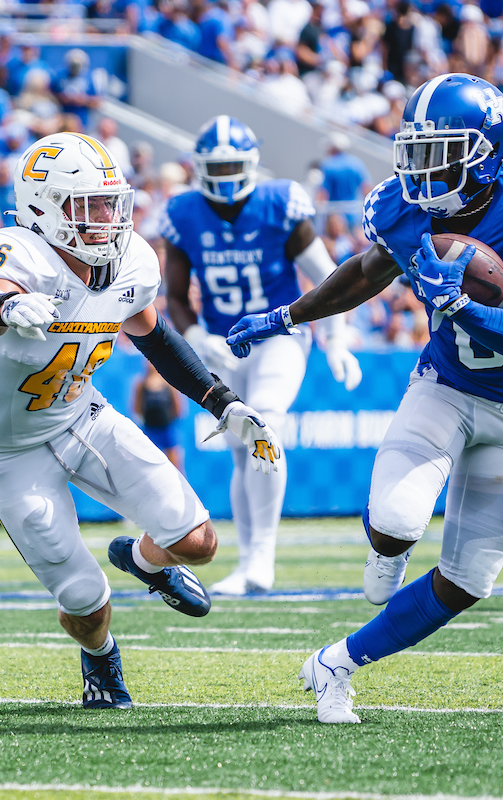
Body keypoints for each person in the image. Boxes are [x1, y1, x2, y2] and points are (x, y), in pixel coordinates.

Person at [227, 74, 503, 723]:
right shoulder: (402, 208)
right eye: (416, 152)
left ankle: (337, 663)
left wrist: (460, 306)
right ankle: (384, 549)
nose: (422, 170)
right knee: (395, 521)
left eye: (440, 154)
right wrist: (288, 317)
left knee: (468, 580)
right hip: (445, 387)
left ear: (487, 154)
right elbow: (368, 272)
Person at [0, 131, 282, 708]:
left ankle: (141, 560)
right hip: (8, 451)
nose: (107, 219)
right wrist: (9, 306)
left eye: (111, 203)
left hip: (81, 417)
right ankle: (101, 655)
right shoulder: (18, 253)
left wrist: (223, 402)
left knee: (198, 542)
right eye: (89, 206)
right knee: (84, 599)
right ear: (43, 207)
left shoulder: (129, 259)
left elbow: (154, 336)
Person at [161, 115, 362, 595]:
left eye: (233, 165)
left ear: (251, 163)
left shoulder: (278, 203)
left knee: (263, 425)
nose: (226, 176)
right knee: (240, 450)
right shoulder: (183, 212)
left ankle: (261, 559)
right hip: (222, 346)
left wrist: (336, 339)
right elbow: (175, 297)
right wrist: (196, 335)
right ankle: (248, 560)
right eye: (217, 166)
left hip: (278, 336)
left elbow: (329, 276)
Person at [134, 362, 183, 471]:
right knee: (148, 459)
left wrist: (170, 420)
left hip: (167, 428)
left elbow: (177, 407)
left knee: (174, 459)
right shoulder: (141, 384)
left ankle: (178, 481)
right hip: (150, 429)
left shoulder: (168, 383)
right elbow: (137, 407)